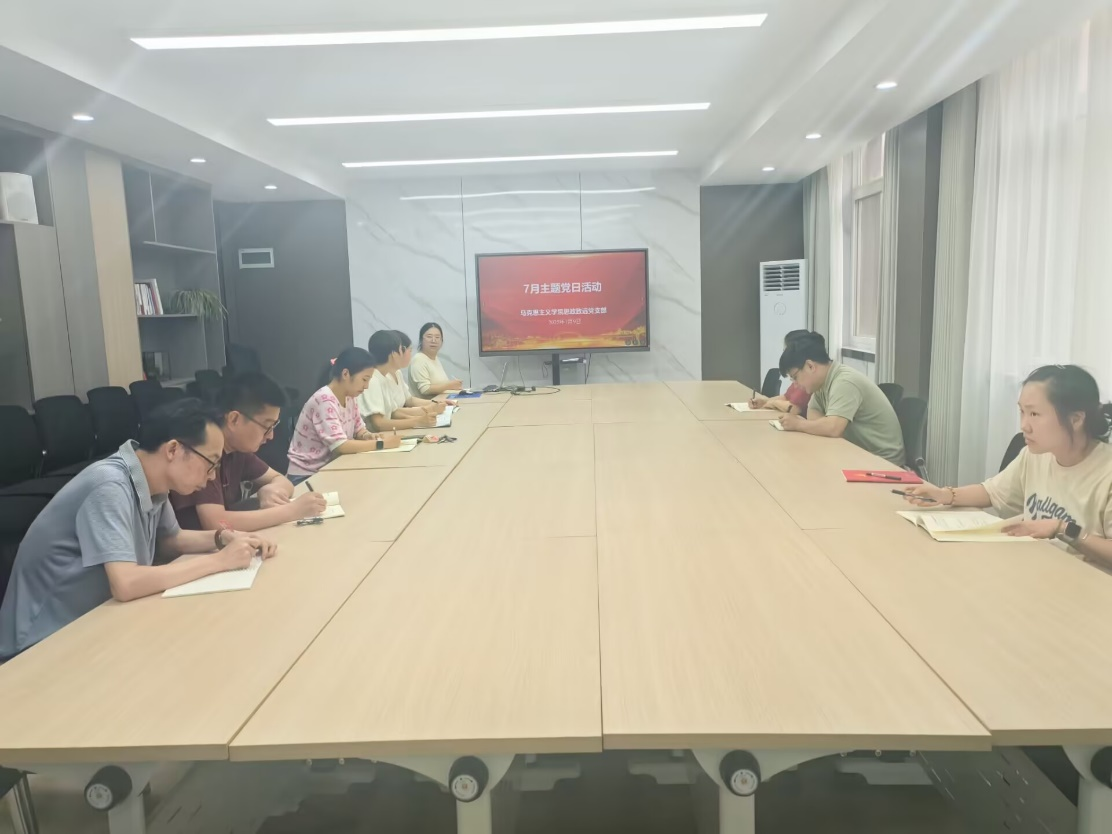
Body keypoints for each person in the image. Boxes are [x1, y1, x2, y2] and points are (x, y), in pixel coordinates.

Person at [0, 399, 277, 659]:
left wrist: (224, 538)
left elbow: (171, 539)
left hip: (94, 624)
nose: (213, 474)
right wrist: (219, 561)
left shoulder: (151, 481)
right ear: (173, 450)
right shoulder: (109, 485)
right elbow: (126, 583)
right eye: (211, 463)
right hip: (38, 645)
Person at [905, 365, 1112, 570]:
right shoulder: (1035, 455)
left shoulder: (1105, 471)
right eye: (1022, 411)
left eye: (1034, 414)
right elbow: (991, 492)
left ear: (1075, 419)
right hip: (1038, 568)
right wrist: (944, 495)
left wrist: (1062, 528)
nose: (1024, 425)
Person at [171, 372, 327, 531]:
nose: (271, 436)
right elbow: (215, 522)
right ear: (234, 420)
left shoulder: (237, 450)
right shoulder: (204, 452)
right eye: (267, 426)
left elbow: (280, 479)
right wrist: (292, 511)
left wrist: (269, 490)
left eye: (273, 426)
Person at [776, 337, 906, 466]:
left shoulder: (845, 382)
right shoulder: (822, 384)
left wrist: (798, 424)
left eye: (795, 377)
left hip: (883, 463)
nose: (796, 384)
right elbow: (814, 415)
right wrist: (819, 426)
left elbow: (833, 428)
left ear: (810, 366)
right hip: (857, 454)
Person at [287, 347, 402, 482]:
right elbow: (340, 446)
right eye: (364, 379)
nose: (366, 386)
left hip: (332, 466)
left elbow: (359, 429)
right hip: (307, 475)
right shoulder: (325, 400)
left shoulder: (350, 396)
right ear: (346, 374)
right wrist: (381, 444)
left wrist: (368, 435)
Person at [359, 330, 448, 432]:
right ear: (394, 354)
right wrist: (417, 421)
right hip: (378, 437)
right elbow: (378, 424)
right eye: (402, 349)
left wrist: (424, 414)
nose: (405, 353)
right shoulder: (373, 380)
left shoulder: (383, 377)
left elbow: (394, 412)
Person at [748, 330, 823, 416]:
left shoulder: (806, 379)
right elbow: (786, 397)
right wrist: (764, 402)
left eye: (786, 350)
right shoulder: (798, 376)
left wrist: (773, 403)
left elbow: (794, 409)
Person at [409, 322, 464, 398]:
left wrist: (453, 387)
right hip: (428, 404)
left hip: (442, 402)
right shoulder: (418, 359)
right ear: (421, 340)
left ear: (441, 341)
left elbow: (441, 386)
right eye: (429, 336)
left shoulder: (435, 358)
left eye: (437, 337)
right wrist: (450, 385)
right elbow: (425, 389)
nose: (433, 340)